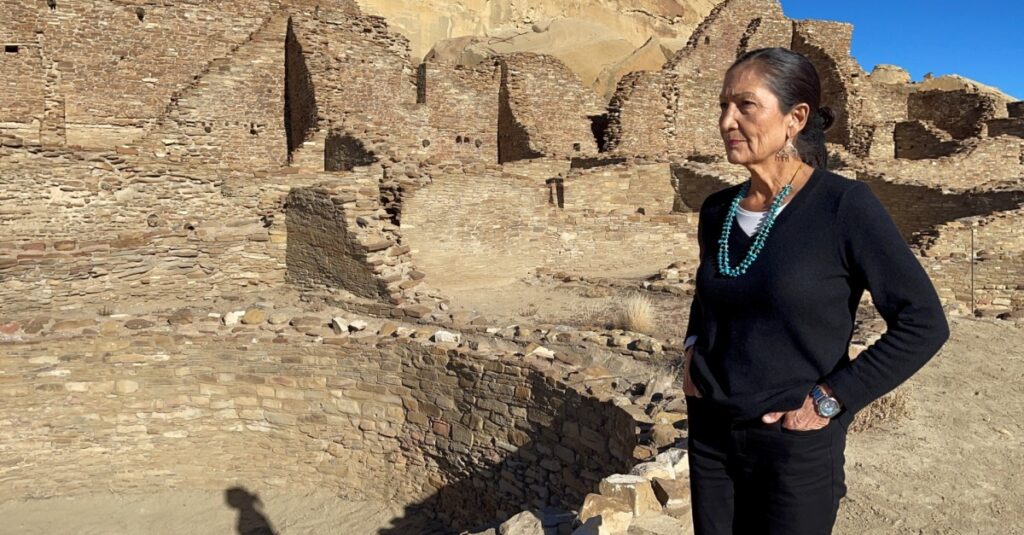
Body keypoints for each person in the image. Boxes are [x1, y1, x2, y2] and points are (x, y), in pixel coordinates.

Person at [681, 47, 949, 535]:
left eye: (745, 106)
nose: (726, 121)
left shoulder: (843, 206)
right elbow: (711, 297)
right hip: (711, 433)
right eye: (723, 106)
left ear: (795, 118)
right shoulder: (718, 210)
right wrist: (691, 354)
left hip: (793, 443)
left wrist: (831, 400)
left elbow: (923, 321)